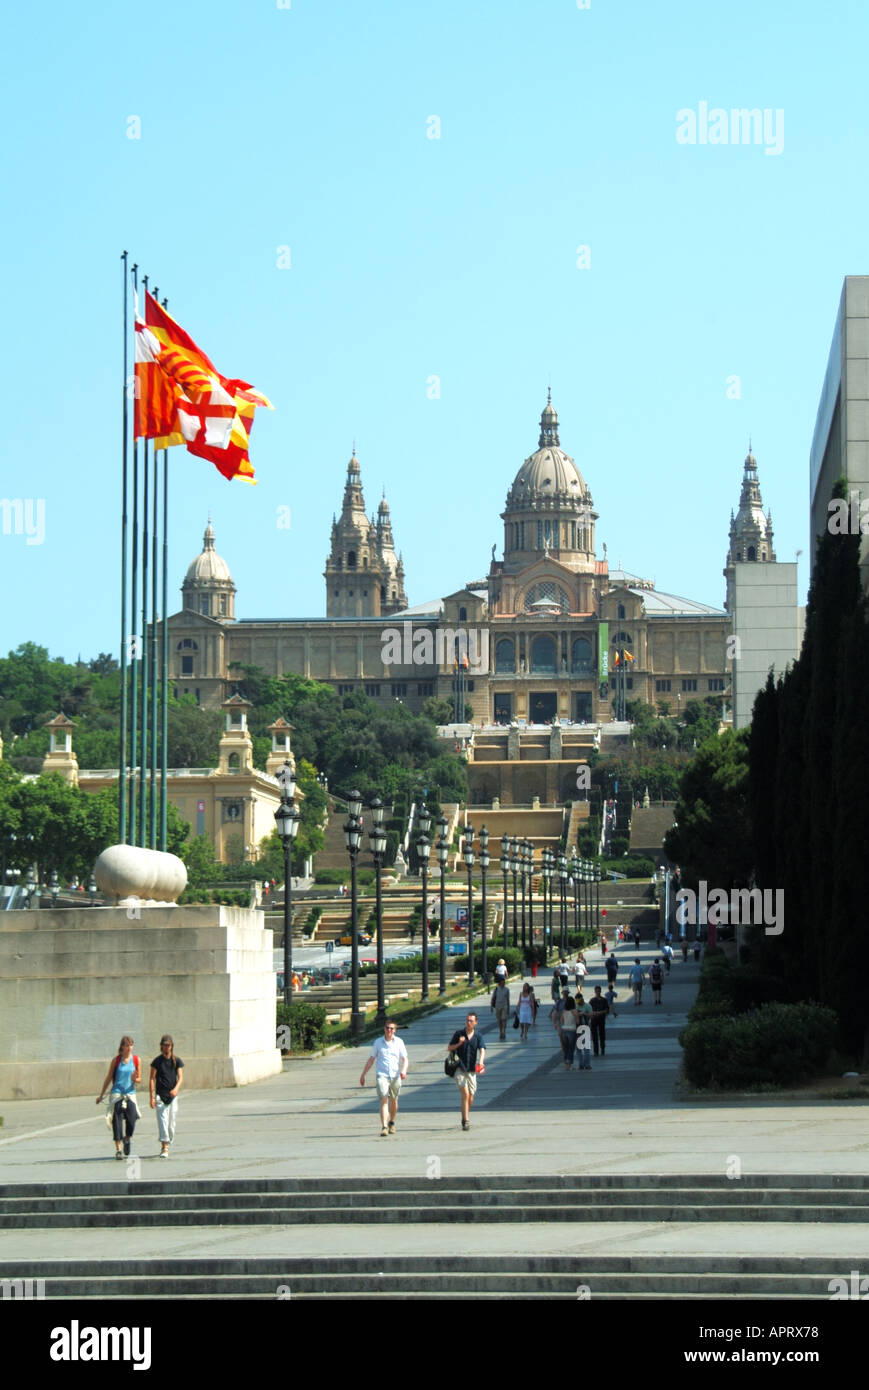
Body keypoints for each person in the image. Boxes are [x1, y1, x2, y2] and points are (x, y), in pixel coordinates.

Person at [360, 1019, 408, 1136]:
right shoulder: (378, 1042)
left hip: (395, 1075)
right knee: (384, 1100)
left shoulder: (399, 1042)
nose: (389, 1030)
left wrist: (403, 1070)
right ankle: (384, 1126)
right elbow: (371, 1059)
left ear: (395, 1030)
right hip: (382, 1075)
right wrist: (363, 1074)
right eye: (387, 1028)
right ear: (384, 1029)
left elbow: (405, 1059)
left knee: (394, 1101)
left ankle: (392, 1122)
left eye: (391, 1028)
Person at [96, 1035, 141, 1159]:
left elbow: (139, 1079)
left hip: (130, 1094)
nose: (129, 1048)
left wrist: (135, 1079)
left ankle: (127, 1138)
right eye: (127, 1045)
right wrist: (101, 1095)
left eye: (131, 1045)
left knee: (132, 1119)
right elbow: (109, 1077)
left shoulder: (136, 1060)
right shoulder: (116, 1061)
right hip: (117, 1093)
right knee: (117, 1120)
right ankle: (118, 1149)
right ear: (122, 1046)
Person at [447, 1012, 485, 1130]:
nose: (468, 1023)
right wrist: (460, 1043)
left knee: (471, 1097)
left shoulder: (478, 1036)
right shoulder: (459, 1034)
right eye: (467, 1020)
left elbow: (482, 1049)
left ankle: (465, 1114)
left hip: (472, 1069)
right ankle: (466, 1121)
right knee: (465, 1094)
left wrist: (481, 1061)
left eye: (471, 1021)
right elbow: (449, 1048)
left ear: (475, 1022)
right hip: (460, 1068)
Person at [149, 1035, 184, 1158]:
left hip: (172, 1096)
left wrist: (176, 1089)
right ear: (161, 1046)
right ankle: (164, 1147)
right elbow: (152, 1078)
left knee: (171, 1123)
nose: (166, 1047)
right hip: (160, 1096)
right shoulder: (157, 1062)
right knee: (163, 1122)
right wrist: (152, 1097)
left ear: (171, 1046)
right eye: (164, 1045)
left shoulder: (177, 1061)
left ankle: (169, 1140)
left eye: (168, 1045)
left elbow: (180, 1077)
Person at [558, 994, 578, 1071]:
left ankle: (566, 1064)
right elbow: (577, 1021)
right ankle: (569, 1065)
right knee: (571, 1048)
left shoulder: (564, 1011)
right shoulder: (574, 1011)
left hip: (564, 1030)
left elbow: (561, 1021)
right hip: (572, 1030)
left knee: (565, 1048)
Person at [589, 985, 609, 1057]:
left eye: (599, 991)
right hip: (594, 1020)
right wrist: (593, 1013)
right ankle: (596, 1051)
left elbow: (607, 1010)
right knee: (594, 1036)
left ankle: (602, 1048)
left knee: (602, 1035)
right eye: (597, 991)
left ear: (600, 991)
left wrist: (600, 1012)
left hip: (601, 1019)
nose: (598, 992)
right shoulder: (592, 1000)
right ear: (595, 992)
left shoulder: (604, 1000)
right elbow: (589, 1010)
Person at [575, 993, 593, 1070]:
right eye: (577, 1001)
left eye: (579, 1000)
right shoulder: (575, 1006)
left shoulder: (587, 1006)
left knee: (586, 1048)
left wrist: (584, 1014)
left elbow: (591, 1015)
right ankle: (581, 1064)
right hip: (577, 1029)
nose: (578, 1002)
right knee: (578, 1049)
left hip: (585, 1028)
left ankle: (587, 1064)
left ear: (582, 999)